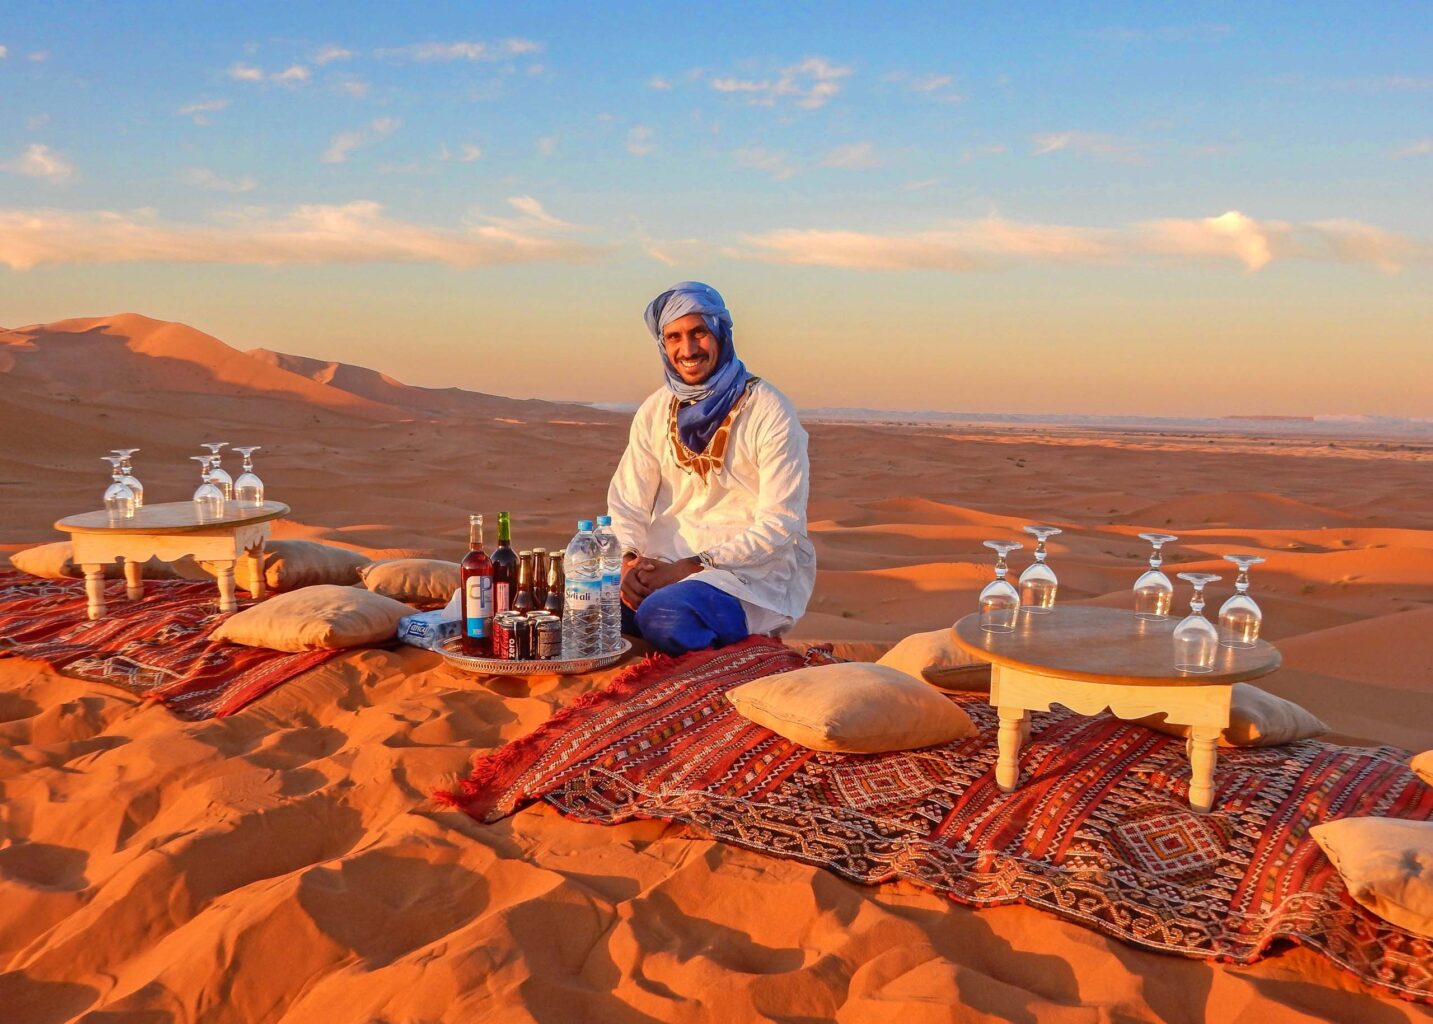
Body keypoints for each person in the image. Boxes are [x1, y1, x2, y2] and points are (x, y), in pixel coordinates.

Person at [606, 281, 816, 656]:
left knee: (664, 615)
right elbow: (627, 503)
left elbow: (780, 524)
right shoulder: (656, 410)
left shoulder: (769, 410)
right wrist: (627, 562)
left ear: (720, 333)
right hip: (660, 568)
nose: (687, 350)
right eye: (674, 337)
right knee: (578, 600)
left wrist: (690, 567)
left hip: (744, 575)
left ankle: (732, 660)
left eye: (698, 332)